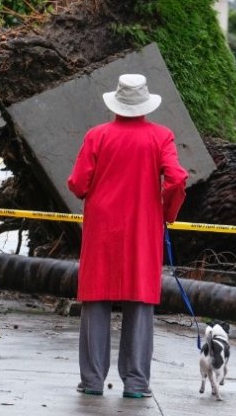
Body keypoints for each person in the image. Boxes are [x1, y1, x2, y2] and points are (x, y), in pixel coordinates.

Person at [67, 74, 188, 398]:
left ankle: (92, 382)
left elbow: (78, 184)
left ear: (117, 103)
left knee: (95, 300)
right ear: (145, 105)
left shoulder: (97, 136)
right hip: (142, 229)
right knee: (140, 301)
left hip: (102, 229)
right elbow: (177, 179)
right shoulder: (161, 137)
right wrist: (166, 212)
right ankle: (136, 384)